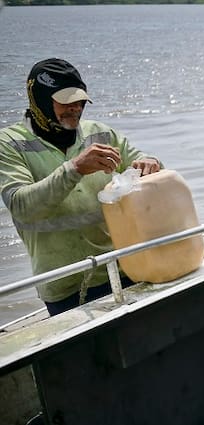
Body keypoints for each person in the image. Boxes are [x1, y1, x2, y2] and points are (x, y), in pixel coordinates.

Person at [0, 58, 162, 316]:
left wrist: (151, 162)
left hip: (122, 268)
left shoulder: (100, 133)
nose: (75, 108)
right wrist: (75, 168)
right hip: (64, 284)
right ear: (40, 100)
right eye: (65, 102)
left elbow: (143, 160)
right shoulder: (9, 144)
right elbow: (21, 206)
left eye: (80, 101)